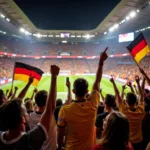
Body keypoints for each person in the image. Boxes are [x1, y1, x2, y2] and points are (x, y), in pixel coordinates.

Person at [57, 48, 108, 150]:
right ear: (87, 92)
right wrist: (101, 62)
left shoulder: (64, 110)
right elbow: (97, 81)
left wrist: (59, 147)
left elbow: (60, 134)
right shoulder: (93, 103)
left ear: (73, 91)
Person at [0, 65, 60, 150]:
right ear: (23, 120)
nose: (27, 111)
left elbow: (16, 102)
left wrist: (29, 83)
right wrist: (54, 77)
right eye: (25, 111)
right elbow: (49, 109)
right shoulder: (29, 140)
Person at [110, 75, 145, 150]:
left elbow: (118, 96)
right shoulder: (141, 111)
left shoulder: (124, 111)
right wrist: (138, 83)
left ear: (126, 102)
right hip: (139, 141)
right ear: (136, 101)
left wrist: (113, 83)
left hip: (128, 142)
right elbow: (142, 96)